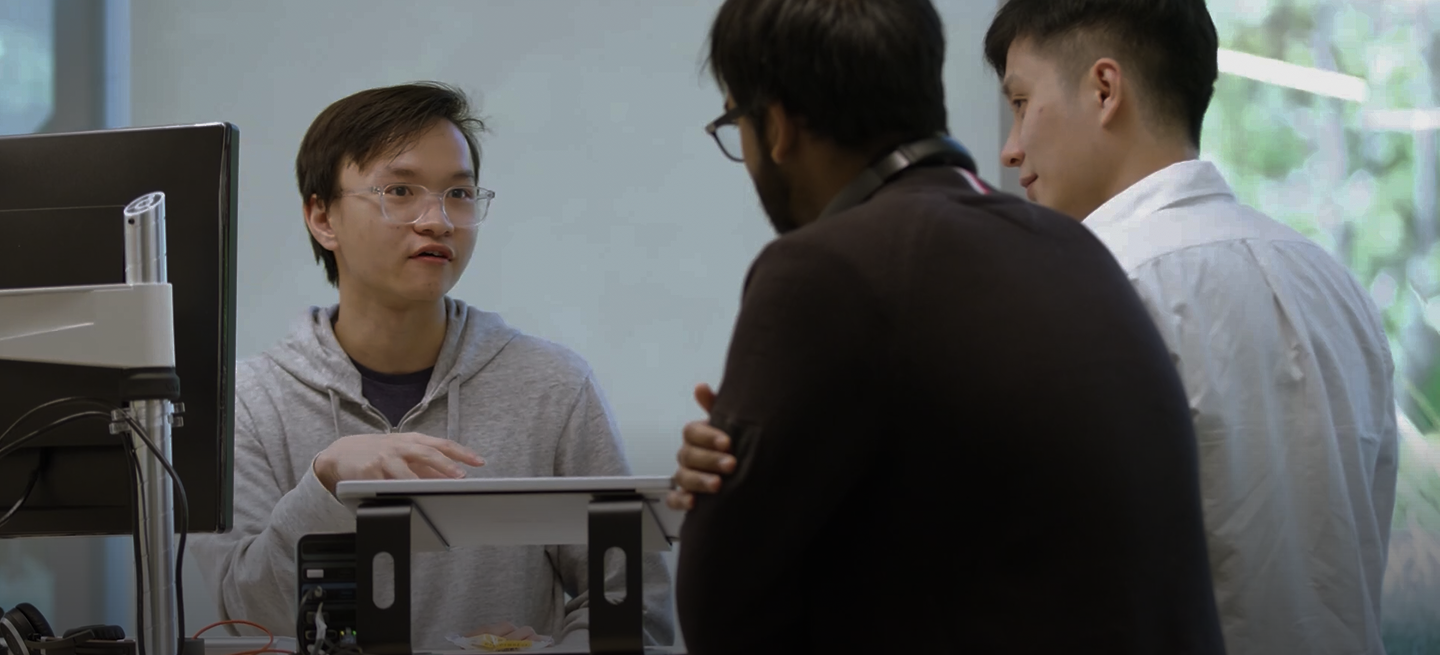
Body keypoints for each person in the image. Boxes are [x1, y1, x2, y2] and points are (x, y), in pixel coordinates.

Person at [675, 0, 1402, 653]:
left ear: (1105, 89)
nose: (1008, 148)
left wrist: (755, 475)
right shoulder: (1335, 284)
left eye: (1021, 103)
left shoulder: (1101, 280)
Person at [190, 82, 672, 650]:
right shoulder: (247, 403)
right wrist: (325, 482)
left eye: (460, 195)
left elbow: (635, 609)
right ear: (322, 217)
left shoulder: (553, 386)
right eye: (400, 190)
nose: (438, 221)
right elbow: (245, 618)